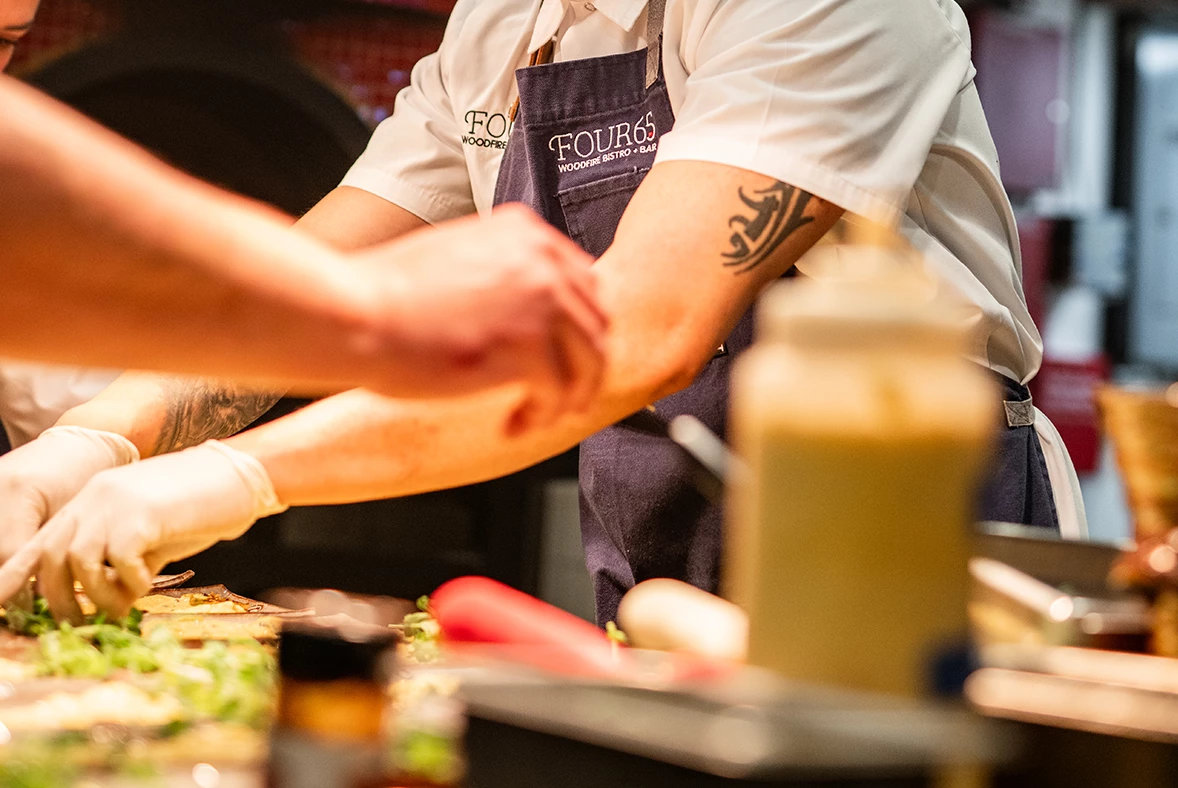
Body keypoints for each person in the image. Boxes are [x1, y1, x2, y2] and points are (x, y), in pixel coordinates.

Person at [0, 0, 1086, 624]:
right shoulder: (506, 20)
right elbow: (298, 282)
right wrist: (90, 442)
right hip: (660, 550)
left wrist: (233, 478)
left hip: (901, 539)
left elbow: (640, 333)